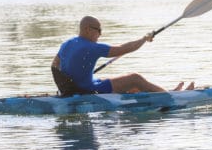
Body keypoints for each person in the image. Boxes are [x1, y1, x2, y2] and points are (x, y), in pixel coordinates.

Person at [51, 16, 194, 96]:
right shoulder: (92, 47)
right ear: (87, 29)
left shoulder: (67, 43)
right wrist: (144, 39)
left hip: (79, 87)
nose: (100, 34)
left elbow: (54, 65)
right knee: (135, 78)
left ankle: (159, 93)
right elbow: (124, 49)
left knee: (123, 82)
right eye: (98, 30)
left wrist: (68, 86)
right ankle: (173, 97)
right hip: (88, 90)